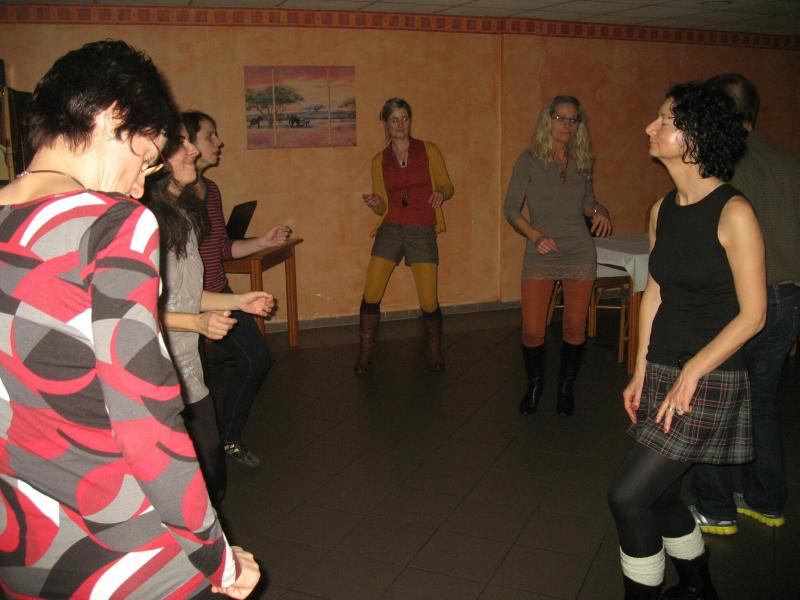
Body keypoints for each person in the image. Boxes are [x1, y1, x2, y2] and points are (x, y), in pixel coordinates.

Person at [0, 41, 258, 598]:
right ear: (112, 117)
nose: (141, 184)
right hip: (121, 555)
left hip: (23, 550)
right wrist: (216, 558)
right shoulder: (112, 223)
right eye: (145, 158)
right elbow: (144, 419)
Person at [607, 82, 765, 599]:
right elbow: (654, 295)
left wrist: (693, 370)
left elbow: (754, 315)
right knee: (660, 496)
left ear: (696, 136)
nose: (649, 128)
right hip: (663, 371)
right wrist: (640, 369)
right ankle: (699, 588)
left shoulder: (733, 212)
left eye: (665, 121)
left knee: (628, 496)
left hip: (709, 378)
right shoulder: (662, 210)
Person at [690, 74, 800, 535]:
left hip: (739, 301)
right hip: (788, 298)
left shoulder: (720, 162)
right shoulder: (788, 162)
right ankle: (766, 501)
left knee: (710, 401)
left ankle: (716, 507)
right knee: (762, 403)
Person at [142, 124, 274, 508]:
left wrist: (239, 301)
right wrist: (196, 323)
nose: (194, 151)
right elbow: (135, 310)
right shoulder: (143, 223)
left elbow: (185, 296)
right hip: (156, 372)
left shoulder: (183, 217)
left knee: (212, 475)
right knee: (187, 486)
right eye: (181, 144)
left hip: (189, 371)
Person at [183, 110, 291, 468]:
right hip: (186, 303)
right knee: (195, 382)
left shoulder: (211, 191)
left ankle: (229, 437)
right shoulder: (169, 197)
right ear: (187, 144)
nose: (219, 142)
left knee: (256, 359)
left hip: (221, 291)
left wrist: (262, 242)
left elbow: (223, 248)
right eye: (210, 135)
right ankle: (197, 452)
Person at [504, 95, 612, 417]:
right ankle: (534, 386)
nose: (567, 124)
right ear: (548, 121)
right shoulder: (528, 161)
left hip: (579, 250)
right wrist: (535, 236)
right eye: (560, 118)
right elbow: (511, 209)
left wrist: (600, 210)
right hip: (540, 251)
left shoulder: (582, 161)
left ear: (579, 125)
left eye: (573, 119)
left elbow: (587, 202)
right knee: (532, 329)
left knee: (575, 327)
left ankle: (565, 389)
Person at [355, 97, 454, 374]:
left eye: (405, 118)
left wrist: (440, 192)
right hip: (391, 229)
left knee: (428, 301)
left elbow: (447, 185)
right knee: (371, 292)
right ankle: (365, 353)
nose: (400, 124)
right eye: (394, 120)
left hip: (422, 229)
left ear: (410, 121)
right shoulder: (379, 160)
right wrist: (376, 204)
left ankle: (434, 350)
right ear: (386, 125)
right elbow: (382, 207)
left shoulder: (428, 150)